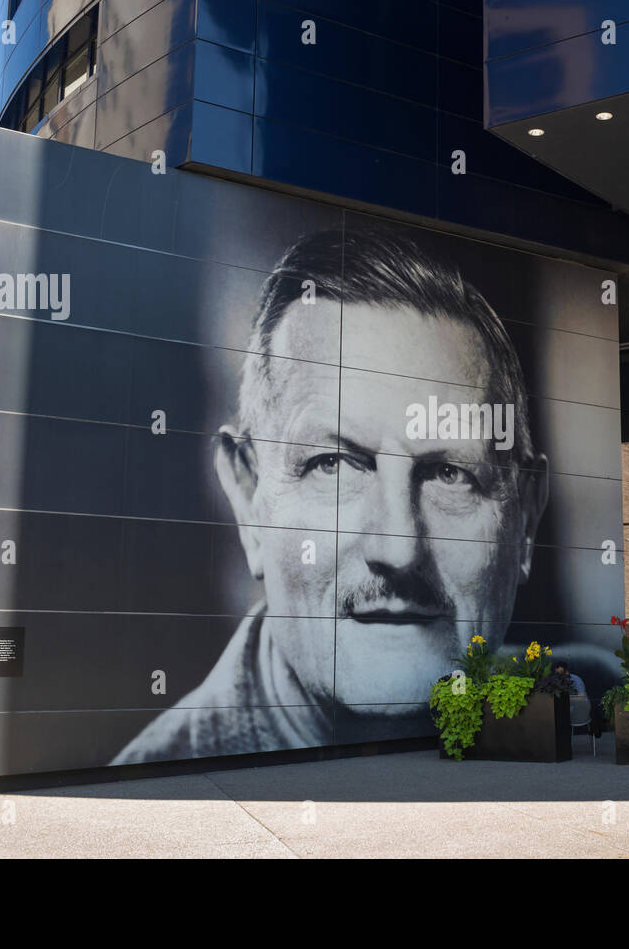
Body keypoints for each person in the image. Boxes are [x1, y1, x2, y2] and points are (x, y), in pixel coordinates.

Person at [113, 228, 550, 764]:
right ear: (250, 499)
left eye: (448, 474)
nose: (398, 546)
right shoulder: (158, 806)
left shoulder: (574, 697)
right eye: (334, 465)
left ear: (525, 520)